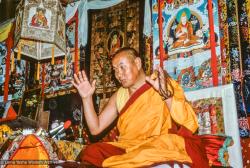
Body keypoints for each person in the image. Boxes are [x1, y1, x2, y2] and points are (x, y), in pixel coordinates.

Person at [72, 47, 230, 167]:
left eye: (122, 67)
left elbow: (189, 123)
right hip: (128, 147)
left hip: (157, 143)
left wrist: (166, 96)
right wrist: (86, 98)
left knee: (158, 147)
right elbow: (95, 128)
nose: (118, 74)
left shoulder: (160, 84)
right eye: (115, 70)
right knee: (91, 151)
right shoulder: (119, 95)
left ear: (138, 63)